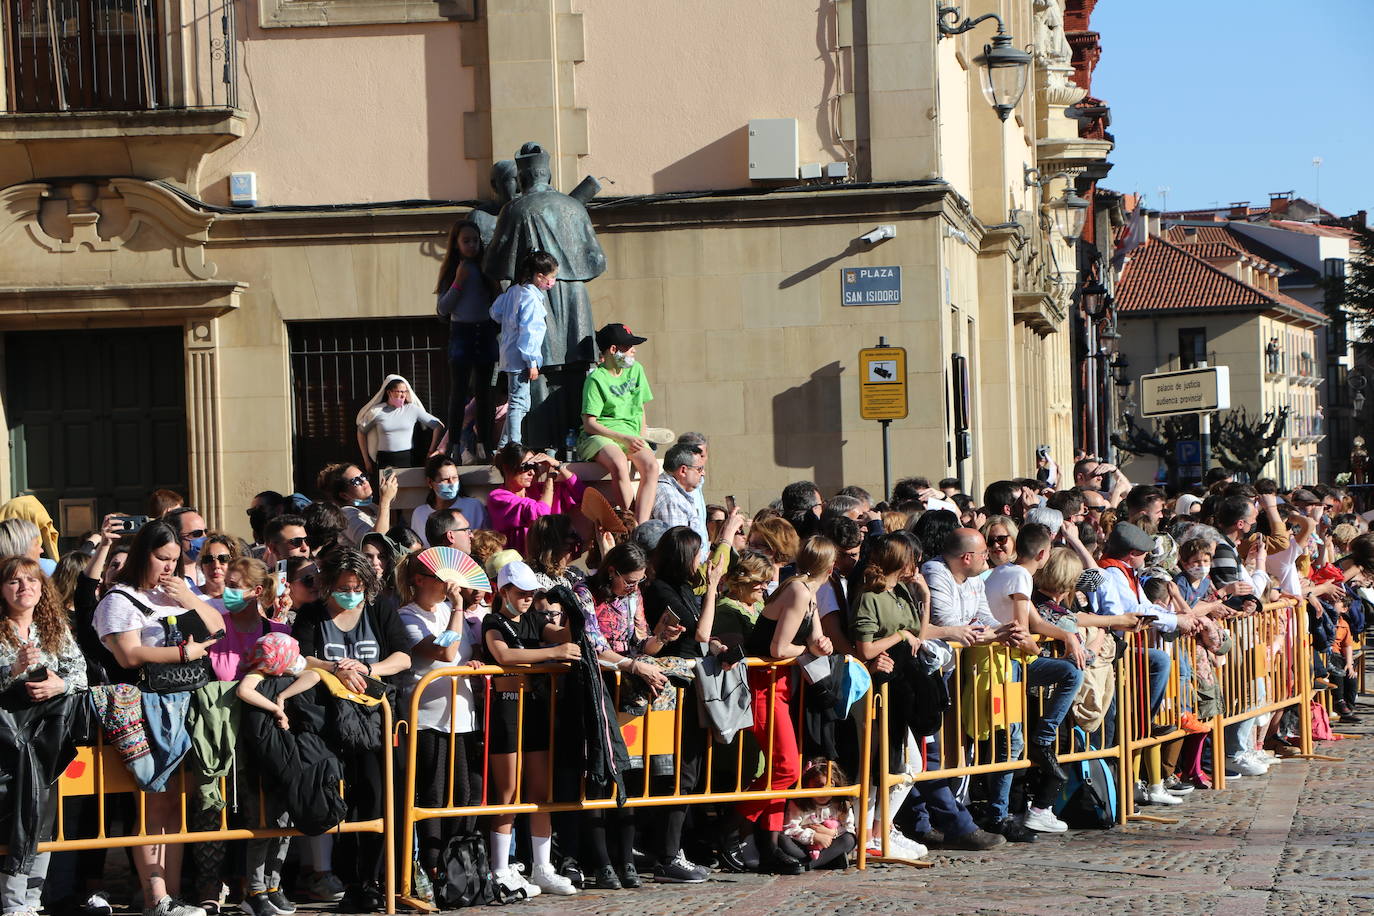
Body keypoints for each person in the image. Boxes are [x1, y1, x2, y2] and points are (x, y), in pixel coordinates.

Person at [93, 520, 224, 916]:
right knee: (153, 806)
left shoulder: (180, 592)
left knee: (175, 807)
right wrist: (184, 654)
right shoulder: (119, 598)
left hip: (189, 705)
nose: (168, 567)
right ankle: (156, 898)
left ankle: (171, 896)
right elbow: (128, 655)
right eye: (160, 558)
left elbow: (218, 629)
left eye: (174, 559)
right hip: (149, 706)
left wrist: (191, 599)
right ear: (142, 555)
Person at [291, 549, 412, 912]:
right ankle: (339, 877)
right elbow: (298, 657)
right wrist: (334, 667)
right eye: (343, 587)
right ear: (328, 585)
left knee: (377, 796)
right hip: (325, 721)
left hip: (375, 721)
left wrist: (369, 669)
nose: (350, 593)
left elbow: (403, 656)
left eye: (358, 587)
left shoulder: (379, 611)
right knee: (338, 799)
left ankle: (374, 879)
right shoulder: (311, 615)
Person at [481, 560, 581, 898]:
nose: (526, 599)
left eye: (531, 594)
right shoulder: (493, 621)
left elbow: (563, 636)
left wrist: (570, 609)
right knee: (506, 793)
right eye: (521, 593)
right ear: (504, 591)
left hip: (536, 708)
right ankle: (499, 868)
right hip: (506, 709)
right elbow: (503, 655)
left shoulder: (536, 619)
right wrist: (553, 653)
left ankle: (542, 866)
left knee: (540, 792)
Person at [740, 535, 836, 874]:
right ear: (831, 566)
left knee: (785, 767)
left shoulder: (806, 593)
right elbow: (781, 649)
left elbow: (813, 638)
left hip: (779, 686)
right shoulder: (797, 591)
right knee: (786, 769)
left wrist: (819, 645)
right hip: (763, 686)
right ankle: (741, 826)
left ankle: (770, 841)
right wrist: (809, 652)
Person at [0, 555, 89, 916]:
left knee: (42, 816)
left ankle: (30, 901)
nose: (25, 588)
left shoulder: (53, 626)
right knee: (21, 814)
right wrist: (11, 670)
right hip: (7, 737)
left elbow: (81, 674)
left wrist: (59, 684)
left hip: (46, 740)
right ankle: (13, 901)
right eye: (15, 581)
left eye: (32, 581)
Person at [396, 548, 486, 885]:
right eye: (440, 578)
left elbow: (464, 652)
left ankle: (457, 865)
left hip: (461, 715)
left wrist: (474, 661)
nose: (450, 585)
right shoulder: (407, 616)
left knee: (462, 791)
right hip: (427, 718)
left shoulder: (451, 611)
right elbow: (444, 650)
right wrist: (459, 607)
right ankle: (432, 865)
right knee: (432, 792)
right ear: (419, 580)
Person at [234, 633, 322, 916]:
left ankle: (274, 885)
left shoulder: (290, 675)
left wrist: (284, 695)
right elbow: (244, 691)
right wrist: (275, 708)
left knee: (284, 829)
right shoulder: (256, 676)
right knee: (263, 828)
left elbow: (314, 676)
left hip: (285, 761)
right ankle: (255, 890)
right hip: (260, 768)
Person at [576, 323, 662, 525]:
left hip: (631, 434)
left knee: (651, 466)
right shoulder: (596, 379)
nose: (634, 351)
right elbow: (589, 424)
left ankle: (640, 526)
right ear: (613, 350)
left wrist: (639, 436)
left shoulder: (637, 370)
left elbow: (640, 408)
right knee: (618, 463)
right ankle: (627, 522)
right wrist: (623, 438)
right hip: (600, 436)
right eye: (628, 346)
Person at [436, 219, 500, 458]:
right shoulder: (454, 271)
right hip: (461, 334)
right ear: (456, 245)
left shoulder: (485, 268)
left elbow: (498, 301)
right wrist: (458, 283)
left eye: (475, 240)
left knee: (485, 394)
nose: (472, 245)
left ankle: (485, 445)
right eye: (466, 241)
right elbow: (443, 308)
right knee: (459, 392)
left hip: (484, 332)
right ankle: (453, 445)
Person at [490, 250, 556, 448]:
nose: (553, 282)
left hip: (510, 354)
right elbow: (530, 331)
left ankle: (504, 445)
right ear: (539, 276)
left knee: (519, 402)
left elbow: (495, 312)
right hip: (520, 358)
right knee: (519, 402)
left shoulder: (514, 291)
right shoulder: (531, 298)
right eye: (551, 277)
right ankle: (512, 445)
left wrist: (509, 323)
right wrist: (532, 361)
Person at [486, 443, 583, 554]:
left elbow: (581, 494)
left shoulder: (540, 491)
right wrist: (550, 477)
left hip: (550, 562)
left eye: (533, 466)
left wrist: (558, 465)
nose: (531, 472)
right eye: (526, 466)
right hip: (520, 565)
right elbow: (540, 513)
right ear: (507, 467)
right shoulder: (498, 497)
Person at [208, 558, 289, 682]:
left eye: (233, 586)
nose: (227, 591)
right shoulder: (215, 627)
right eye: (226, 585)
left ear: (257, 591)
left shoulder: (279, 632)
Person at [355, 374, 445, 474]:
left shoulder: (412, 409)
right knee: (386, 488)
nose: (403, 395)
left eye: (405, 391)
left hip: (407, 458)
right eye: (399, 391)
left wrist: (431, 451)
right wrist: (366, 460)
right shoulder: (377, 411)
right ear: (389, 392)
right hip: (385, 459)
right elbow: (361, 431)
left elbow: (438, 425)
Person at [781, 759, 858, 870]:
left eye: (827, 786)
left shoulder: (841, 804)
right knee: (783, 840)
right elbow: (789, 829)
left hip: (830, 844)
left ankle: (808, 865)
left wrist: (831, 833)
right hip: (803, 846)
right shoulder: (798, 803)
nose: (823, 792)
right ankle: (829, 861)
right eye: (818, 786)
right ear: (807, 785)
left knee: (849, 840)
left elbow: (849, 829)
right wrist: (814, 836)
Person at [317, 462, 398, 548]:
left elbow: (389, 527)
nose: (364, 481)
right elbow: (376, 544)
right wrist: (385, 501)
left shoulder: (371, 506)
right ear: (344, 495)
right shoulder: (346, 515)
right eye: (356, 481)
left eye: (363, 476)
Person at [411, 455, 489, 544]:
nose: (451, 483)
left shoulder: (474, 507)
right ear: (430, 482)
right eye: (445, 479)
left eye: (455, 478)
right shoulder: (419, 513)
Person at [652, 444, 709, 554]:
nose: (703, 473)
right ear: (683, 470)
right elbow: (679, 551)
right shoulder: (671, 499)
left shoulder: (676, 493)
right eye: (699, 469)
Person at [195, 534, 239, 602]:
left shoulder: (244, 598)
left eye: (223, 559)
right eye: (208, 559)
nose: (216, 565)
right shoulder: (190, 597)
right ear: (201, 565)